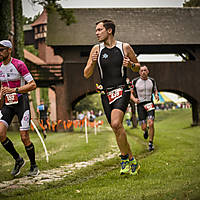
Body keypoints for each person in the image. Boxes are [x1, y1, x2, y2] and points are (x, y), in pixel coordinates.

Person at [84, 19, 141, 175]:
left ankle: (123, 159)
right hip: (106, 93)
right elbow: (86, 74)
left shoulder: (125, 47)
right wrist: (92, 63)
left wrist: (130, 64)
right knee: (117, 129)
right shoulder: (96, 49)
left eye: (99, 30)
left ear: (109, 31)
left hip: (122, 89)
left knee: (116, 124)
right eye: (96, 30)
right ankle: (131, 160)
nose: (96, 33)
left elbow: (138, 67)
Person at [0, 40, 40, 177]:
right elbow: (2, 87)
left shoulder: (19, 64)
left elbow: (32, 84)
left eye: (1, 49)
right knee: (1, 134)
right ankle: (18, 159)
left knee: (24, 137)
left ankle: (34, 166)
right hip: (7, 104)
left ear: (9, 50)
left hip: (21, 101)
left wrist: (14, 90)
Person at [130, 65, 159, 151]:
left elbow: (155, 90)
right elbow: (130, 93)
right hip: (140, 105)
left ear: (148, 71)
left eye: (145, 70)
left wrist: (156, 95)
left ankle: (150, 143)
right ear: (139, 72)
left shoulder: (152, 80)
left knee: (151, 123)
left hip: (149, 103)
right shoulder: (135, 81)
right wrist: (134, 99)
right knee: (143, 126)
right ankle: (145, 131)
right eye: (141, 71)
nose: (143, 72)